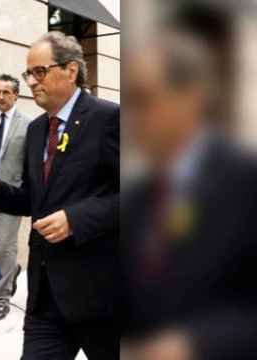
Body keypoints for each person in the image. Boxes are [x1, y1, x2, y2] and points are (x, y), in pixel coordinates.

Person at [0, 31, 120, 359]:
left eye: (40, 71)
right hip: (46, 299)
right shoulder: (36, 130)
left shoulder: (110, 118)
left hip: (103, 296)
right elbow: (33, 198)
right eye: (29, 74)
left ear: (70, 70)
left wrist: (76, 219)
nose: (33, 81)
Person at [121, 29, 257, 360]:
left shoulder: (245, 182)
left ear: (190, 99)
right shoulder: (137, 199)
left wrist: (196, 344)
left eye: (143, 100)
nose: (132, 119)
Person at [0, 73, 31, 321]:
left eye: (5, 92)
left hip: (12, 194)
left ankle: (1, 299)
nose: (0, 97)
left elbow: (31, 164)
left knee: (6, 247)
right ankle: (11, 270)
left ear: (16, 95)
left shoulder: (27, 124)